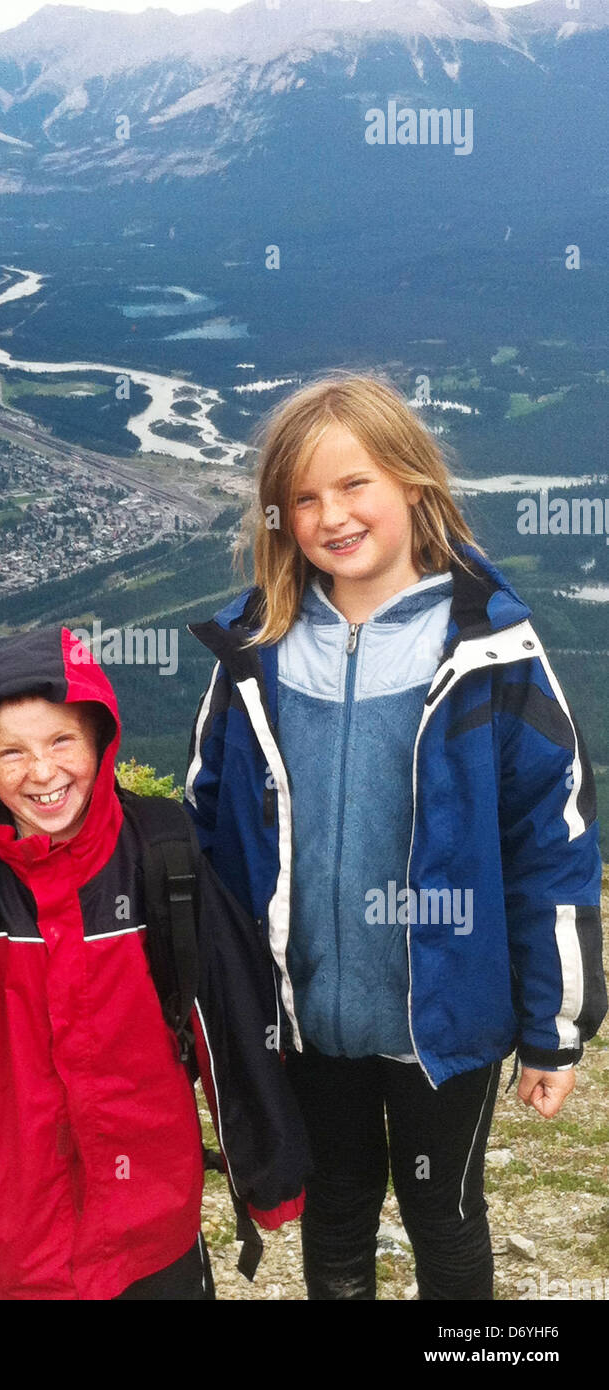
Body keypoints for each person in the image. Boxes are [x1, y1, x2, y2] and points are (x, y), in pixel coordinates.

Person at [184, 370, 606, 1300]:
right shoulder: (256, 651)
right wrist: (205, 998)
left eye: (353, 484)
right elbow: (207, 833)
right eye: (301, 498)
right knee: (333, 1208)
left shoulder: (491, 653)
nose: (330, 515)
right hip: (304, 1018)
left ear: (414, 483)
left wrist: (556, 1031)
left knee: (444, 1216)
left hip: (444, 1021)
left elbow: (553, 845)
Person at [0, 625, 310, 1301]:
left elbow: (232, 1022)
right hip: (21, 1240)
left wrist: (267, 1173)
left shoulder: (162, 860)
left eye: (61, 741)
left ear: (99, 741)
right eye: (11, 753)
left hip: (152, 1232)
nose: (43, 773)